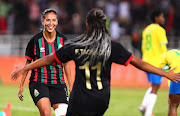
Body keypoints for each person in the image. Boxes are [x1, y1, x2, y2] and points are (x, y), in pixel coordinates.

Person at [11, 8, 180, 116]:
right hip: (102, 99)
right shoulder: (112, 47)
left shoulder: (76, 45)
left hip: (80, 99)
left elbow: (48, 59)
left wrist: (24, 68)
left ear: (87, 25)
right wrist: (166, 73)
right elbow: (139, 63)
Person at [11, 9, 73, 116]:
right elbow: (28, 63)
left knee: (63, 114)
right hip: (38, 83)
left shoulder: (63, 40)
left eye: (53, 20)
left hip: (58, 84)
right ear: (43, 21)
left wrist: (71, 87)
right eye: (48, 20)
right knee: (46, 112)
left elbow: (66, 65)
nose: (51, 23)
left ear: (57, 22)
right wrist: (21, 86)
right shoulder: (35, 41)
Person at [139, 9, 168, 116]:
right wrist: (167, 61)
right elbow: (163, 47)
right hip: (155, 62)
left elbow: (143, 46)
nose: (163, 19)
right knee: (156, 86)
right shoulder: (160, 30)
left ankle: (143, 105)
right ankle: (148, 113)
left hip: (146, 61)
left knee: (154, 85)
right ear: (156, 18)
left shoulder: (146, 30)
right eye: (162, 16)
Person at [159, 49, 180, 116]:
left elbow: (169, 76)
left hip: (178, 72)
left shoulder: (162, 57)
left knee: (173, 105)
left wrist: (171, 93)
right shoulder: (177, 52)